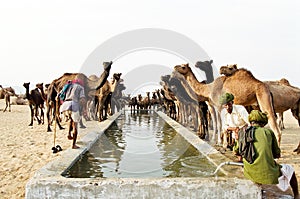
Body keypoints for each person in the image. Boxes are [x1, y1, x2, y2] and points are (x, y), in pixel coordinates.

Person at [240, 110, 299, 199]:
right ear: (263, 123)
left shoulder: (243, 132)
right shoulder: (268, 132)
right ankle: (297, 195)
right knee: (290, 170)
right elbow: (277, 154)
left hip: (248, 171)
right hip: (267, 172)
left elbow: (237, 151)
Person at [59, 77, 87, 149]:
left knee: (71, 119)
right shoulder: (80, 87)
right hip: (74, 105)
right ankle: (73, 145)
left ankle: (69, 134)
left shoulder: (68, 86)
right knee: (75, 125)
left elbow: (59, 95)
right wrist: (84, 109)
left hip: (64, 107)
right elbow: (82, 99)